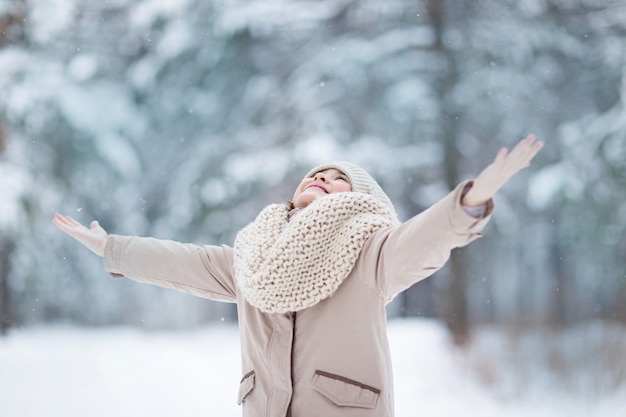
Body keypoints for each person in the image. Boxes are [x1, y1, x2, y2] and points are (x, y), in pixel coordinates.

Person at [53, 134, 543, 417]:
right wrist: (112, 247)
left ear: (360, 200)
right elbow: (185, 262)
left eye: (337, 178)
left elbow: (424, 240)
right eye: (315, 173)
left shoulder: (372, 252)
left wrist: (470, 202)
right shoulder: (253, 256)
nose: (320, 178)